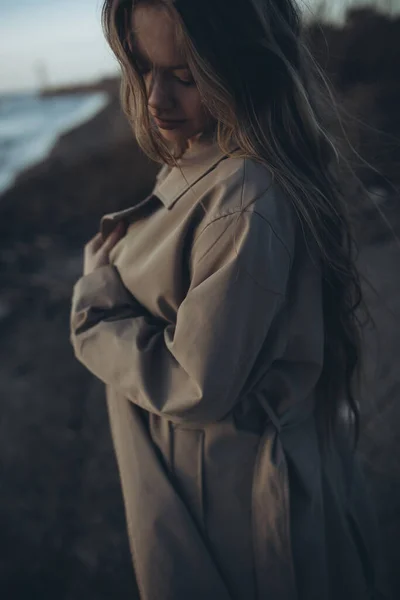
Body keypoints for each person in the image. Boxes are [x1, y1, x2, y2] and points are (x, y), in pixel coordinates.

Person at [69, 1, 384, 598]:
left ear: (242, 66)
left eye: (186, 75)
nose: (156, 97)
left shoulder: (245, 197)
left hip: (224, 501)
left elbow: (197, 382)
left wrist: (96, 308)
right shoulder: (205, 151)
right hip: (198, 477)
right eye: (141, 65)